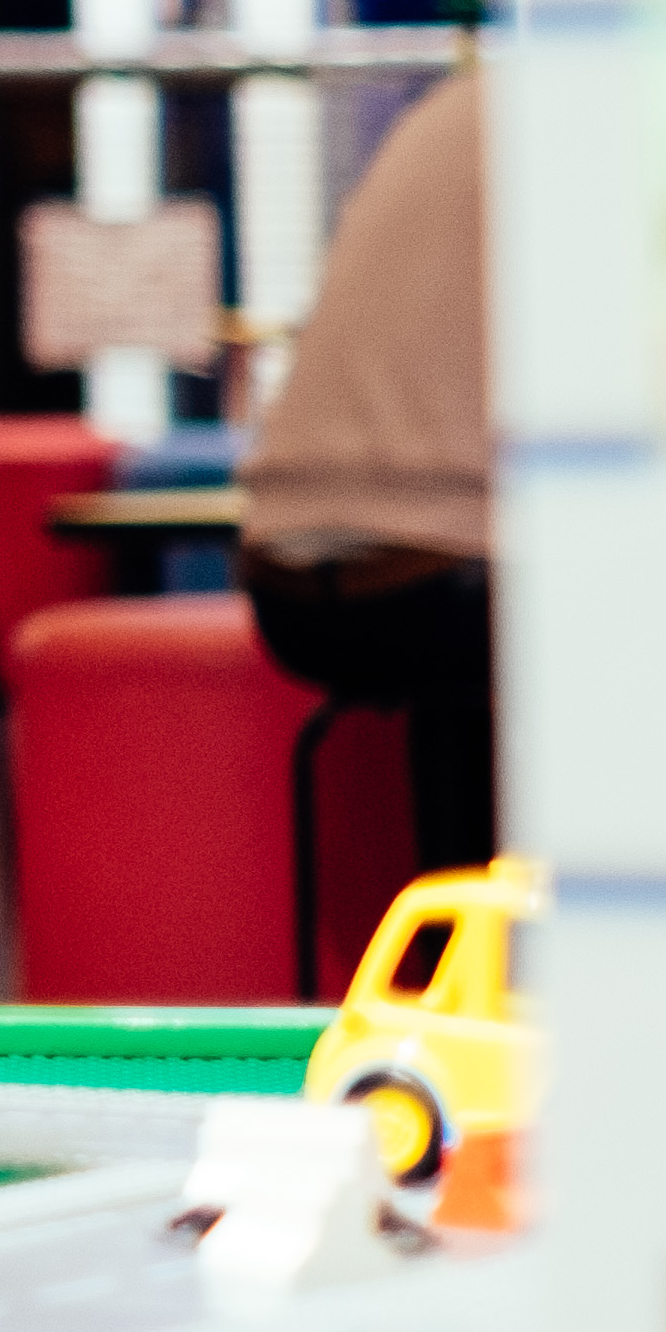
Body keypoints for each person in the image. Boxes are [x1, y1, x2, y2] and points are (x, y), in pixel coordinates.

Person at [241, 68, 496, 873]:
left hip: (282, 568)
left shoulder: (459, 102)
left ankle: (458, 945)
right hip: (448, 573)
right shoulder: (628, 112)